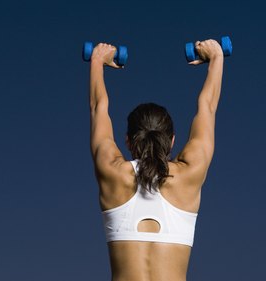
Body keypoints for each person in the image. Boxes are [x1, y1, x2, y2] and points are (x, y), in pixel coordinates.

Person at [89, 40, 224, 281]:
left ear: (129, 141)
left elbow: (99, 108)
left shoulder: (112, 171)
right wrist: (215, 57)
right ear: (172, 140)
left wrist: (98, 60)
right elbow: (208, 107)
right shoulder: (189, 175)